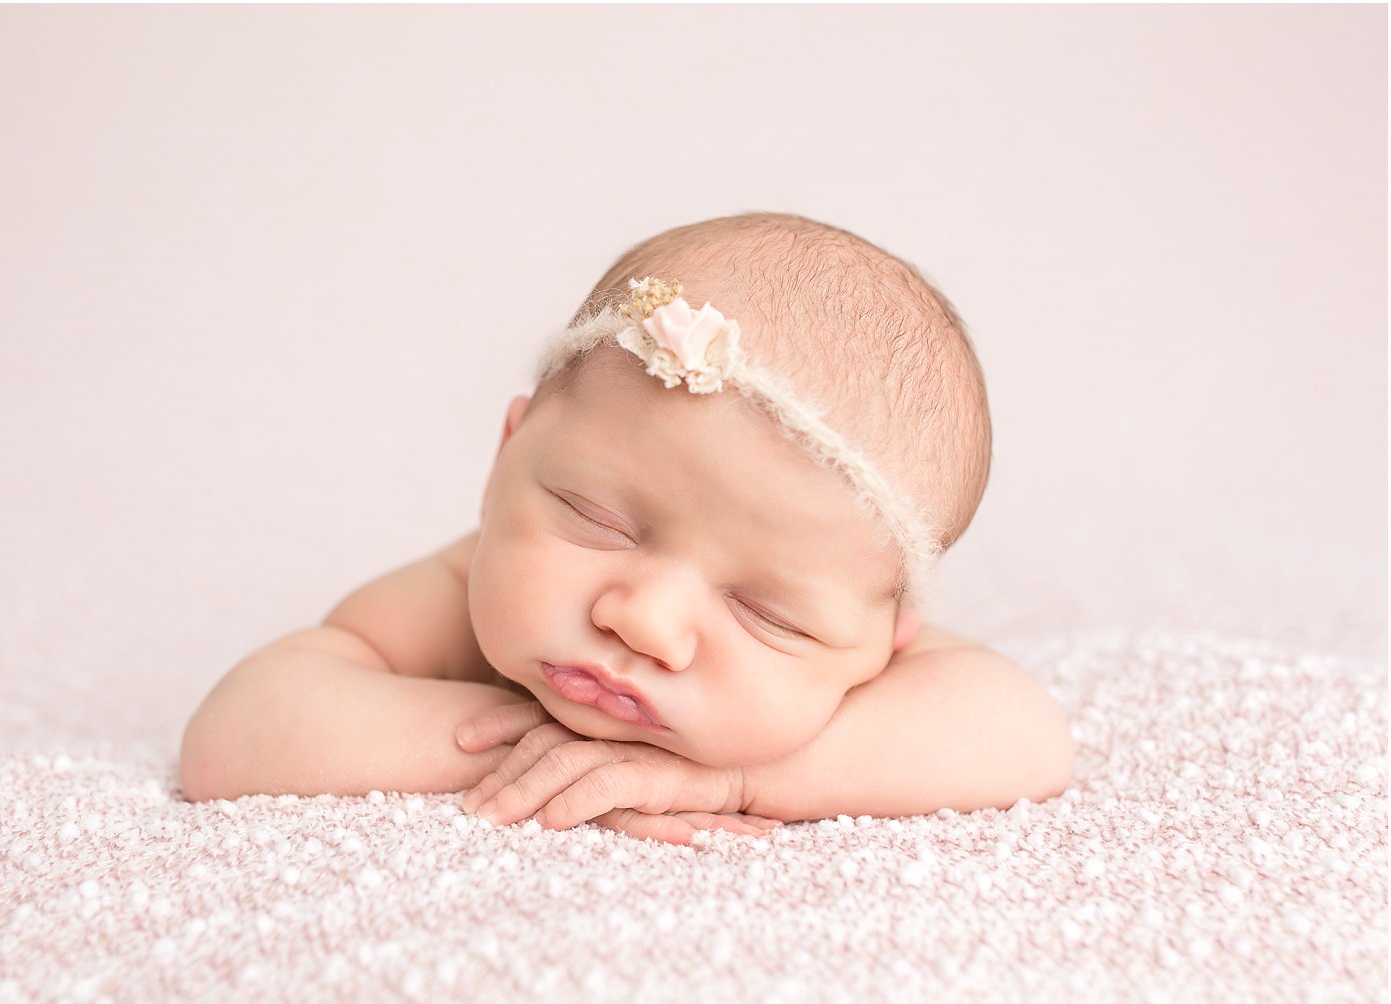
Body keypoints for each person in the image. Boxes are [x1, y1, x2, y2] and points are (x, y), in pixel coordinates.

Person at [180, 212, 1074, 844]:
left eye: (766, 612)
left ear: (883, 640)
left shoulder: (869, 653)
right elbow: (236, 731)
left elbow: (1024, 733)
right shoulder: (452, 595)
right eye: (596, 520)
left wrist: (735, 776)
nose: (641, 620)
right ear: (505, 459)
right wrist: (525, 745)